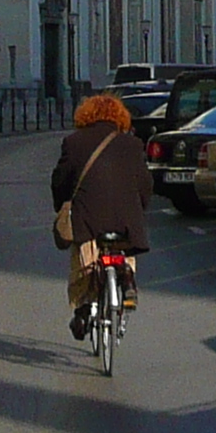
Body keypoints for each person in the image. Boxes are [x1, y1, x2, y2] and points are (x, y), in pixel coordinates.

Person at [51, 90, 152, 342]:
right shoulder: (132, 143)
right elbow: (145, 184)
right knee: (122, 249)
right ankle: (127, 277)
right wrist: (140, 207)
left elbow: (60, 181)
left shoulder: (74, 142)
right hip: (125, 219)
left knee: (83, 260)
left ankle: (83, 307)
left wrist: (61, 205)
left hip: (88, 216)